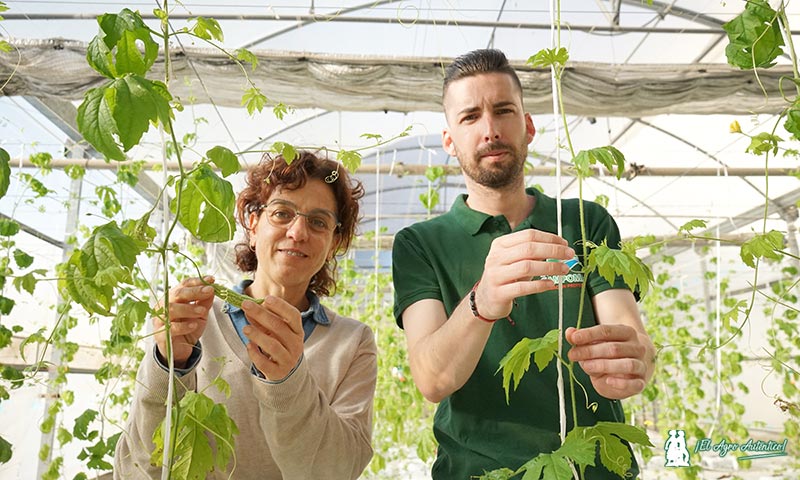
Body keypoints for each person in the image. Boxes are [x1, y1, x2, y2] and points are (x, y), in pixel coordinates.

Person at [391, 49, 656, 479]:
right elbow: (432, 379)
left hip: (593, 467)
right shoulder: (420, 244)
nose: (490, 130)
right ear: (449, 141)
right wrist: (484, 299)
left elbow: (630, 334)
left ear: (528, 126)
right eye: (470, 117)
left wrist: (636, 360)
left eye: (503, 111)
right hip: (479, 471)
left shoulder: (585, 222)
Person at [115, 151, 377, 479]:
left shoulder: (352, 342)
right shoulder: (195, 322)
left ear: (334, 242)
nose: (298, 232)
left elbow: (338, 471)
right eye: (282, 213)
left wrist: (289, 380)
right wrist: (170, 364)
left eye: (318, 222)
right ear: (253, 225)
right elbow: (139, 468)